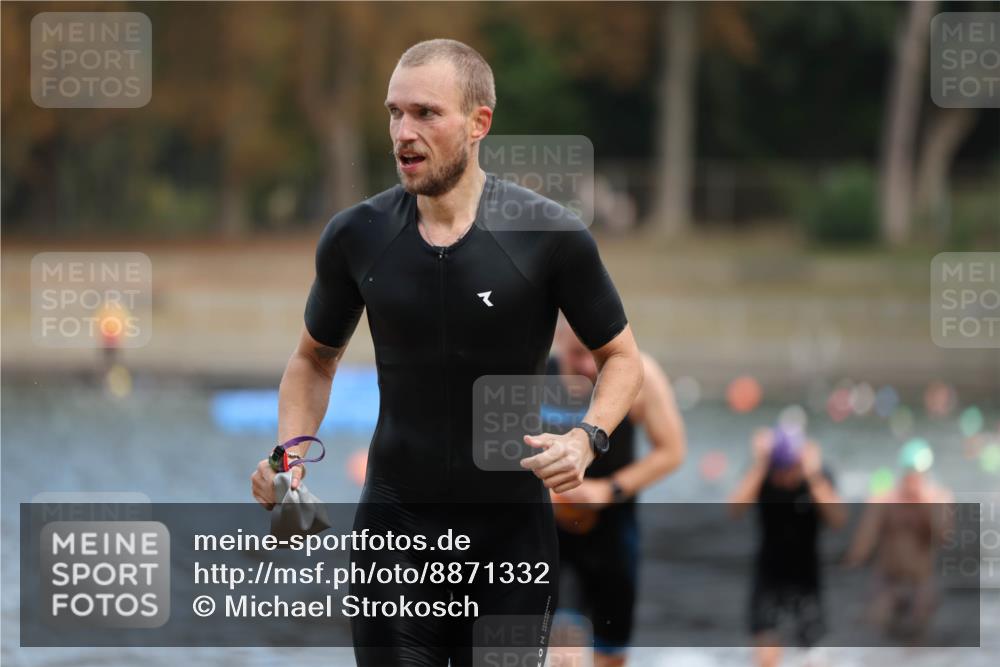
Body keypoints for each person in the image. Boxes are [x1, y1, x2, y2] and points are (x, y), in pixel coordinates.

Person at [249, 38, 643, 667]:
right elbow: (312, 361)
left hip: (511, 540)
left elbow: (622, 358)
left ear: (479, 123)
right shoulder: (357, 236)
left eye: (426, 113)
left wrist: (587, 439)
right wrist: (288, 454)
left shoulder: (548, 235)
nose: (403, 132)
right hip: (395, 534)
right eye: (394, 113)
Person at [545, 316, 686, 666]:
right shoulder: (533, 374)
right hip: (554, 537)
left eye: (596, 355)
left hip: (613, 531)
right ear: (559, 342)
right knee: (566, 653)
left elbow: (672, 451)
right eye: (577, 354)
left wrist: (609, 489)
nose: (587, 366)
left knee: (611, 653)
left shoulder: (642, 376)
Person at [728, 427, 846, 667]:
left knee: (813, 659)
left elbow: (839, 519)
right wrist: (760, 464)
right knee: (767, 660)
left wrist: (812, 475)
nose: (783, 478)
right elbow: (734, 510)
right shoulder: (763, 475)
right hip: (768, 578)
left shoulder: (817, 478)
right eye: (778, 471)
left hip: (806, 581)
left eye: (788, 470)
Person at [843, 443, 953, 640]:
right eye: (910, 473)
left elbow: (945, 536)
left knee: (920, 629)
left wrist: (927, 506)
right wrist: (850, 563)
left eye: (918, 474)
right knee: (876, 628)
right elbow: (863, 543)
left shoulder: (939, 497)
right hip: (888, 581)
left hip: (920, 582)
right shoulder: (886, 499)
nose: (913, 479)